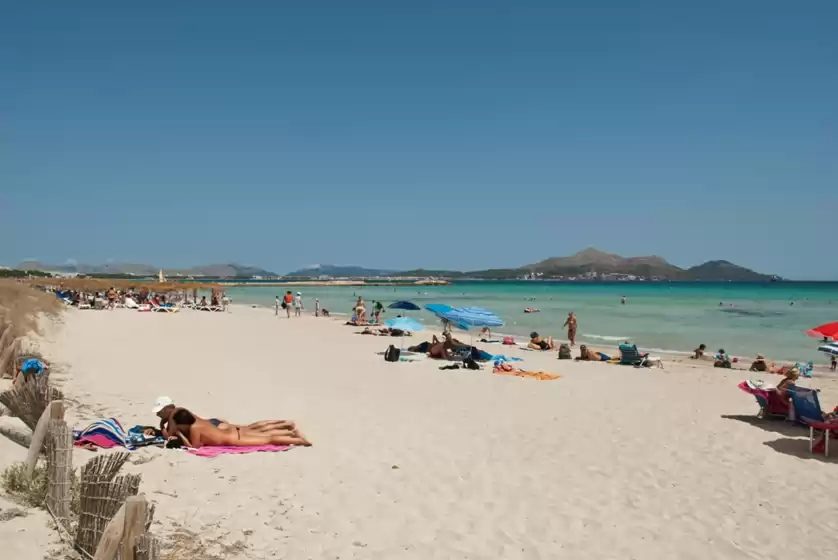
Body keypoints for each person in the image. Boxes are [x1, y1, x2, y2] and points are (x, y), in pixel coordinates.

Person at [152, 397, 298, 440]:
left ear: (168, 408)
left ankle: (285, 429)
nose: (158, 414)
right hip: (214, 423)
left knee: (252, 432)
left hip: (214, 429)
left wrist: (161, 425)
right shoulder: (181, 411)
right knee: (249, 427)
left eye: (160, 412)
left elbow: (168, 436)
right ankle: (283, 424)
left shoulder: (172, 417)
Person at [170, 410, 310, 449]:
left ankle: (300, 440)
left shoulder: (195, 428)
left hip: (232, 439)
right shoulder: (197, 419)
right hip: (232, 430)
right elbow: (180, 410)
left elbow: (195, 446)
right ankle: (289, 430)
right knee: (261, 433)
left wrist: (180, 435)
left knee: (268, 439)